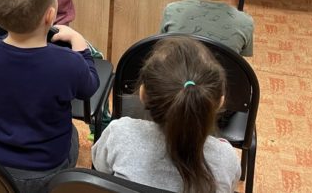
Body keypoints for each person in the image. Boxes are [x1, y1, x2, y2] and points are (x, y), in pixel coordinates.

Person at [0, 0, 99, 193]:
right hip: (46, 169)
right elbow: (90, 86)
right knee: (72, 133)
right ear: (50, 16)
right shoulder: (68, 63)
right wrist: (80, 46)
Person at [92, 36, 241, 193]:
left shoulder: (119, 134)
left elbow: (100, 171)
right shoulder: (226, 159)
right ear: (219, 102)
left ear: (143, 94)